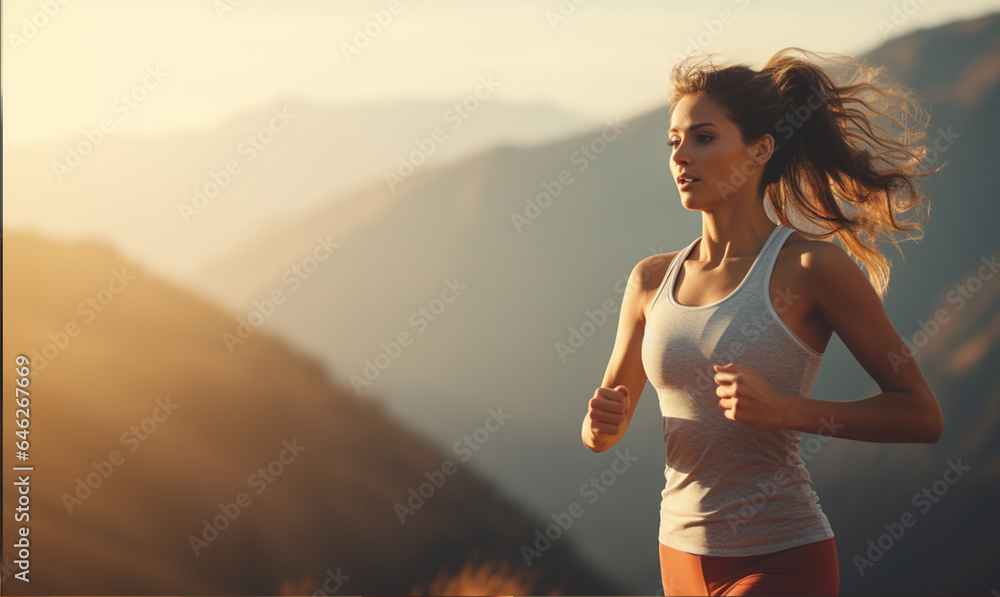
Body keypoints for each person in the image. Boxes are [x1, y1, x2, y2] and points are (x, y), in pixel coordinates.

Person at [580, 47, 945, 597]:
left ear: (760, 150)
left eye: (704, 137)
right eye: (674, 141)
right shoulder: (650, 280)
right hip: (677, 555)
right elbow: (603, 430)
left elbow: (921, 415)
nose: (682, 156)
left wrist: (785, 412)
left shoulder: (809, 267)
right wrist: (600, 425)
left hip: (781, 557)